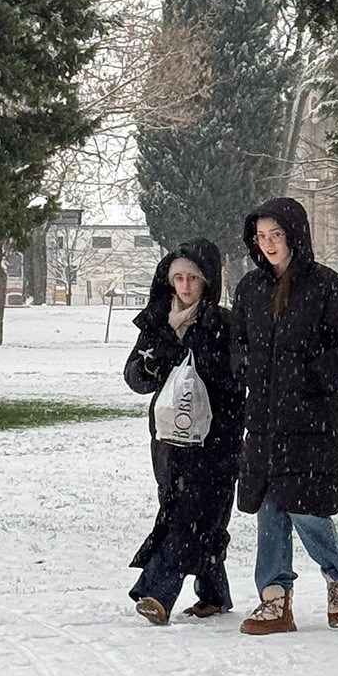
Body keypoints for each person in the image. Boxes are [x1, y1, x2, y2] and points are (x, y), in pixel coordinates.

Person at [231, 198, 338, 635]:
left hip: (311, 419)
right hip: (265, 419)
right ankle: (274, 599)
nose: (268, 244)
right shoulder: (249, 288)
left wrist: (308, 377)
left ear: (294, 235)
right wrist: (247, 369)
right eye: (262, 236)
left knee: (303, 505)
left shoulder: (327, 286)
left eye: (276, 235)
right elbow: (239, 345)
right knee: (269, 505)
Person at [124, 237, 242, 626]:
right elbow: (135, 378)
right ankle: (213, 594)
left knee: (190, 515)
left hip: (216, 441)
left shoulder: (223, 324)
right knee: (190, 515)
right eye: (179, 278)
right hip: (169, 440)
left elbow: (235, 380)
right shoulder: (158, 322)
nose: (186, 286)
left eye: (193, 277)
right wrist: (158, 360)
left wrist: (197, 360)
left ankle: (158, 591)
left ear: (207, 281)